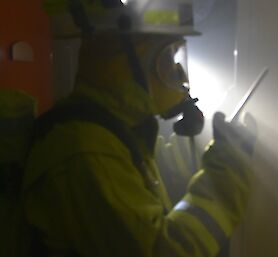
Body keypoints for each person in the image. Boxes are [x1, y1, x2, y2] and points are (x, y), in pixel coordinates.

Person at [23, 1, 257, 256]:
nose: (177, 74)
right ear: (127, 63)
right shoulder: (85, 151)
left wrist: (218, 144)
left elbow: (155, 172)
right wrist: (229, 171)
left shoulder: (115, 129)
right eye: (167, 57)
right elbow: (164, 251)